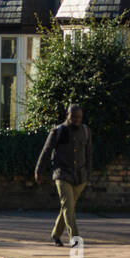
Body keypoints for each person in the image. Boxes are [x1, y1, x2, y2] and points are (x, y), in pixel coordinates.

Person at [35, 104, 92, 246]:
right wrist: (39, 170)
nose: (77, 120)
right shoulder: (58, 131)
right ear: (67, 115)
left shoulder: (85, 131)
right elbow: (46, 150)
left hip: (80, 176)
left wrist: (88, 174)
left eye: (79, 117)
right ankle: (76, 239)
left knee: (68, 207)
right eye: (74, 117)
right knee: (68, 205)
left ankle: (55, 235)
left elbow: (89, 153)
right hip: (62, 174)